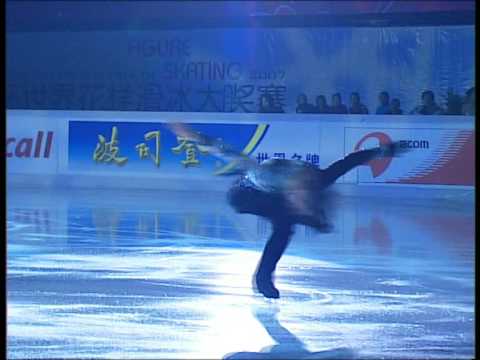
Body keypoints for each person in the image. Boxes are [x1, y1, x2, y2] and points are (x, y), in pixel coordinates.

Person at [167, 123, 409, 299]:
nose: (301, 197)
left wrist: (387, 150)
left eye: (304, 195)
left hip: (281, 201)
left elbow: (352, 160)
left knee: (286, 225)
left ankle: (264, 278)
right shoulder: (266, 174)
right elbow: (228, 152)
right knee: (286, 222)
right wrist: (192, 136)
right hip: (246, 195)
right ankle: (278, 261)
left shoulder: (321, 179)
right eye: (300, 196)